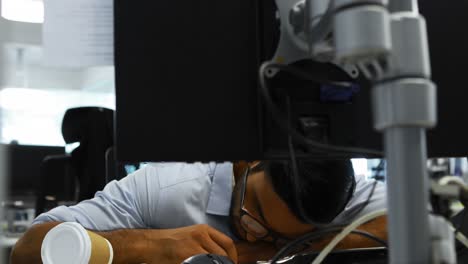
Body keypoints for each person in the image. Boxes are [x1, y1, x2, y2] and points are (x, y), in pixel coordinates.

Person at [10, 160, 387, 264]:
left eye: (282, 235)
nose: (256, 236)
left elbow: (415, 221)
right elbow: (28, 250)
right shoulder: (166, 188)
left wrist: (292, 248)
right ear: (246, 163)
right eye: (254, 217)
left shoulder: (331, 188)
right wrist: (147, 246)